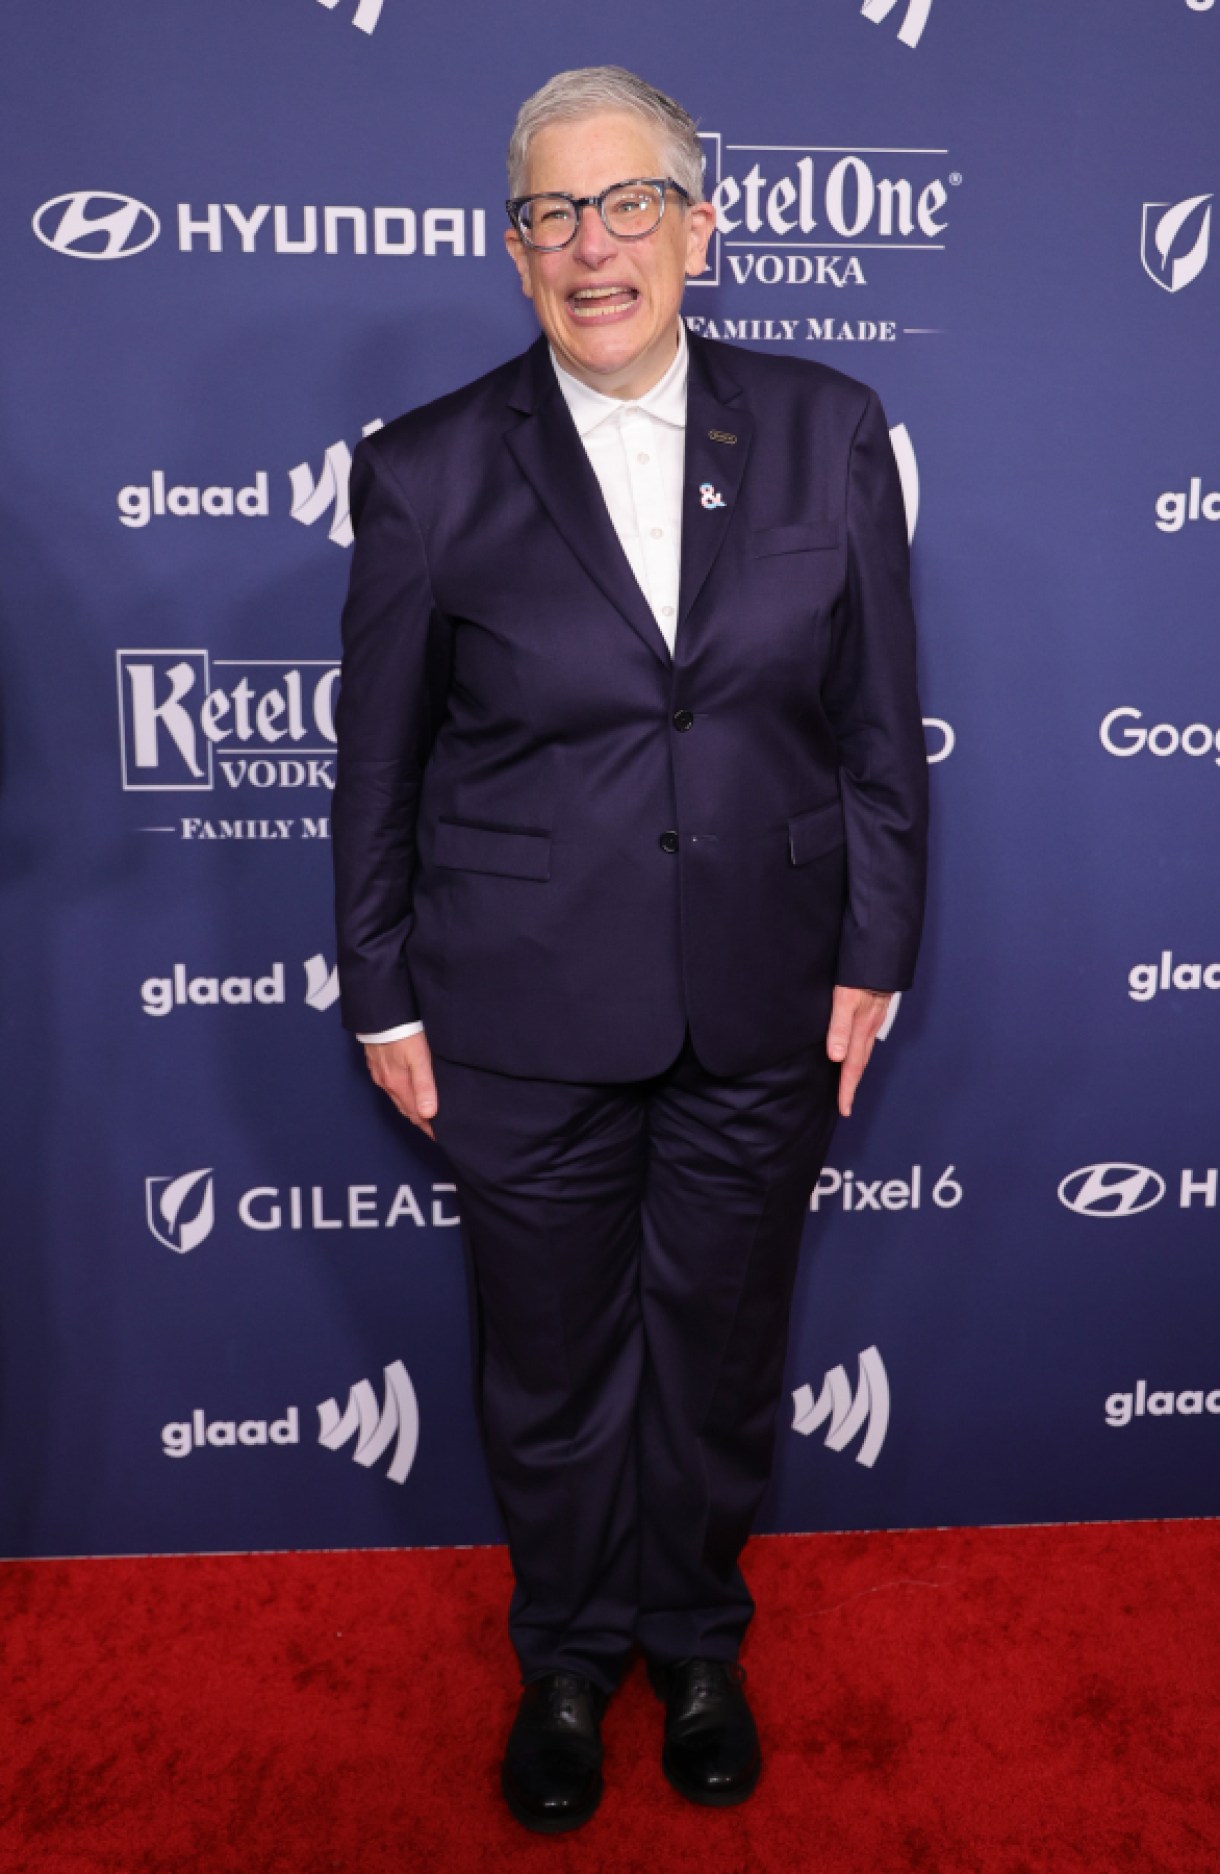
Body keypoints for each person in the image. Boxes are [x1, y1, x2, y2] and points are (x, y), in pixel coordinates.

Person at [332, 65, 928, 1834]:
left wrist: (877, 940)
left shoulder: (830, 431)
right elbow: (380, 766)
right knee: (551, 1360)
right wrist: (379, 984)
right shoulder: (427, 471)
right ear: (512, 251)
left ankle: (697, 1640)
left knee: (726, 1344)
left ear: (700, 227)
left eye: (628, 207)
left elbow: (883, 729)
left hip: (767, 986)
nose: (593, 249)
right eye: (552, 216)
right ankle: (573, 1661)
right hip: (515, 1007)